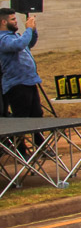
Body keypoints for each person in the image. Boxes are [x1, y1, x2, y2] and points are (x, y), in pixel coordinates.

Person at [0, 9, 43, 155]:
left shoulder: (15, 36)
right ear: (4, 22)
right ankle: (21, 150)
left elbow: (28, 43)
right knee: (21, 119)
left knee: (37, 114)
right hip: (17, 84)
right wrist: (28, 29)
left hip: (30, 81)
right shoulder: (3, 39)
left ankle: (40, 144)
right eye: (12, 19)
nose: (16, 22)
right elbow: (19, 45)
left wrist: (33, 30)